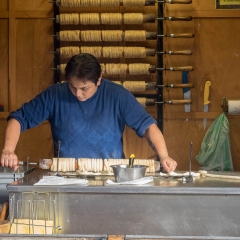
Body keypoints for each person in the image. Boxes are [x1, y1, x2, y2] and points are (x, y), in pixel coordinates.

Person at [0, 53, 177, 172]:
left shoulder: (118, 95)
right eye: (72, 86)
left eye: (84, 88)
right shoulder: (54, 95)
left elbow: (148, 127)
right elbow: (19, 118)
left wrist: (164, 156)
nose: (77, 94)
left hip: (110, 176)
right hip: (67, 176)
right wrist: (8, 150)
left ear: (99, 80)